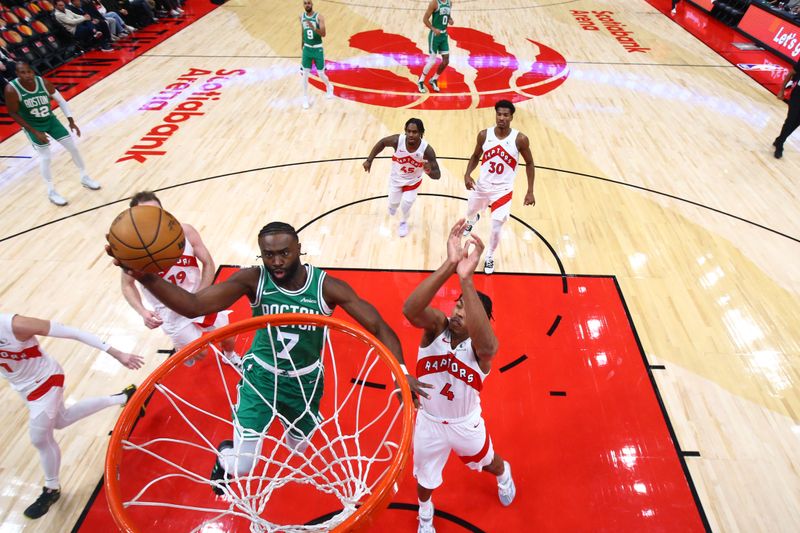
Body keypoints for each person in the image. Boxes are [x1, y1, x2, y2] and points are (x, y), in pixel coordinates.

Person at [108, 221, 431, 493]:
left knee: (298, 447)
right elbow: (194, 306)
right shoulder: (252, 279)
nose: (276, 261)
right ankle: (227, 455)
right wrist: (143, 275)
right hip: (260, 375)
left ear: (299, 249)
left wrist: (400, 371)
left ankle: (270, 435)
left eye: (284, 253)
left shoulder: (327, 287)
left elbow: (378, 326)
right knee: (244, 465)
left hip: (305, 381)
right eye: (269, 254)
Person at [402, 219, 516, 533]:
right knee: (424, 477)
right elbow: (410, 310)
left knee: (489, 463)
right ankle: (425, 514)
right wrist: (450, 264)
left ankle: (504, 474)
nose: (458, 312)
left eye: (467, 309)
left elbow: (489, 344)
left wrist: (467, 281)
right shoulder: (436, 327)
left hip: (466, 423)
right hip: (430, 421)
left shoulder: (482, 350)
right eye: (459, 305)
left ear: (482, 318)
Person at [0, 312, 144, 519]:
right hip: (22, 386)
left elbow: (71, 332)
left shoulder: (15, 325)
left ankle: (51, 488)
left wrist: (117, 353)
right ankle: (122, 397)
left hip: (45, 380)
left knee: (39, 438)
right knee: (61, 420)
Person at [120, 191, 241, 367]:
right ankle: (181, 347)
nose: (153, 218)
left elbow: (207, 263)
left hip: (200, 299)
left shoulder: (185, 231)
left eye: (157, 212)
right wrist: (143, 312)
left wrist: (200, 296)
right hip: (171, 313)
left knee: (228, 335)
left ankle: (229, 356)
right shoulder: (133, 250)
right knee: (200, 353)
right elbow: (127, 285)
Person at [4, 62, 102, 207]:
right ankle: (51, 192)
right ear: (17, 74)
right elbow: (12, 112)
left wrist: (71, 120)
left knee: (73, 148)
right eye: (22, 73)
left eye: (29, 72)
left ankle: (85, 177)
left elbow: (61, 100)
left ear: (32, 71)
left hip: (50, 120)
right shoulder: (12, 89)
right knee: (46, 157)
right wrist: (35, 131)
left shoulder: (42, 82)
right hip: (33, 125)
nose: (27, 75)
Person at [462, 99, 536, 274]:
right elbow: (475, 156)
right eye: (499, 114)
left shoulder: (520, 139)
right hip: (482, 185)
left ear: (511, 117)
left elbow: (530, 163)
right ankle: (472, 220)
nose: (501, 118)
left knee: (496, 227)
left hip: (502, 190)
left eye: (505, 115)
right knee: (470, 212)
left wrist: (530, 191)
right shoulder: (484, 135)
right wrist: (467, 174)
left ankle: (489, 256)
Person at [363, 118, 441, 237]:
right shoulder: (397, 141)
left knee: (406, 204)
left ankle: (403, 222)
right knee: (393, 203)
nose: (411, 134)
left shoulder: (427, 150)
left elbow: (437, 175)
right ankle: (392, 206)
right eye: (408, 131)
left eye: (414, 132)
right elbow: (382, 143)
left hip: (413, 182)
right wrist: (369, 160)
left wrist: (428, 170)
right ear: (405, 131)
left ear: (421, 133)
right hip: (396, 179)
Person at [300, 0, 334, 109]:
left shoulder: (319, 17)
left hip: (318, 49)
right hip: (307, 49)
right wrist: (302, 44)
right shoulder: (301, 17)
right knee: (304, 74)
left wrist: (314, 27)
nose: (307, 5)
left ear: (312, 4)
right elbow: (303, 31)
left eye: (309, 3)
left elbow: (323, 34)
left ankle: (329, 86)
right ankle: (305, 97)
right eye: (305, 3)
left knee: (321, 73)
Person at [417, 0, 453, 94]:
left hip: (444, 36)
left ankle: (434, 79)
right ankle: (421, 80)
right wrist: (433, 29)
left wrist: (450, 19)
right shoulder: (434, 3)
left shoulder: (449, 3)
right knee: (432, 60)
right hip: (435, 36)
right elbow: (425, 19)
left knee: (446, 61)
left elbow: (447, 15)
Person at [774, 59, 800, 159]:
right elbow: (791, 73)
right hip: (798, 94)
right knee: (790, 120)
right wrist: (781, 90)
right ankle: (780, 145)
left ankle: (780, 139)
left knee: (796, 122)